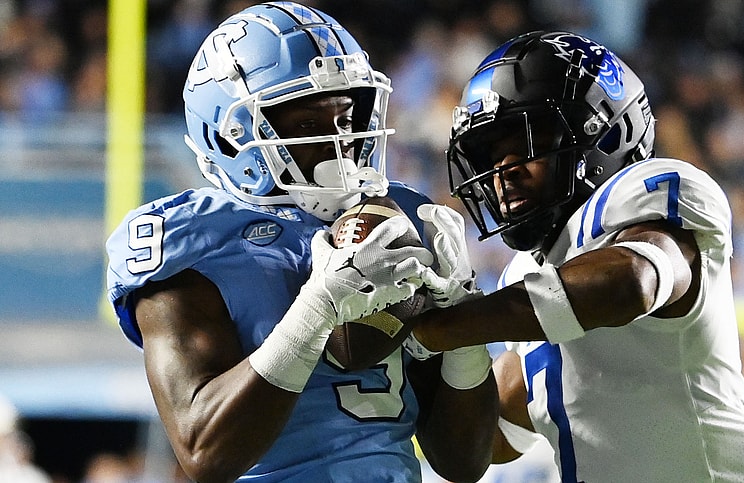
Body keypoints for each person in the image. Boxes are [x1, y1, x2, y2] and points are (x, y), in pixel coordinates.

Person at [104, 3, 497, 482]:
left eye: (347, 118)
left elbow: (464, 461)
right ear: (231, 138)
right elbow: (205, 451)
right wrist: (318, 309)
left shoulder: (396, 218)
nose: (342, 142)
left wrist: (462, 326)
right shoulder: (195, 244)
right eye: (310, 125)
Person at [392, 30, 744, 482]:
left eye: (527, 142)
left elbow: (633, 281)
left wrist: (442, 327)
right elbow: (484, 443)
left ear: (604, 134)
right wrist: (409, 342)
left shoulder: (654, 192)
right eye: (491, 155)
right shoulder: (527, 278)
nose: (503, 171)